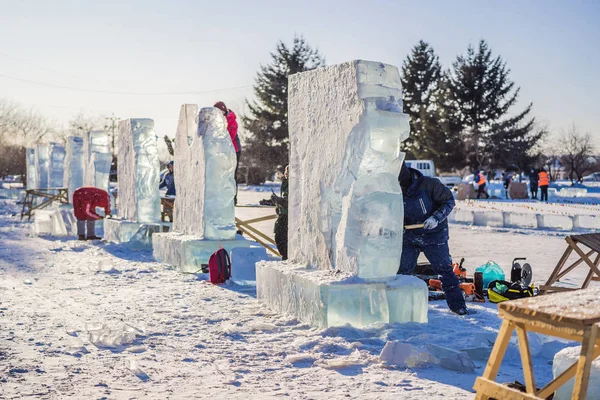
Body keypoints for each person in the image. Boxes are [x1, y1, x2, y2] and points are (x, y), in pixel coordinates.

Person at [397, 162, 468, 315]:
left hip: (434, 235)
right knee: (402, 272)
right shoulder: (394, 189)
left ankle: (458, 306)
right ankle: (401, 308)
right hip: (409, 235)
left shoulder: (430, 184)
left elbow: (449, 201)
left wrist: (435, 218)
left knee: (444, 270)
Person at [214, 101, 241, 205]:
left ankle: (233, 198)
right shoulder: (217, 121)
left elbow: (230, 135)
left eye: (219, 111)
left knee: (231, 174)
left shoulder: (231, 119)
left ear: (223, 110)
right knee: (221, 174)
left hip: (234, 149)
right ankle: (222, 195)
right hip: (223, 150)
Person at [271, 165, 288, 260]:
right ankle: (285, 256)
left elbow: (290, 201)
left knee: (281, 237)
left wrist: (278, 200)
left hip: (288, 216)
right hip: (283, 214)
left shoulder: (291, 183)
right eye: (285, 171)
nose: (286, 173)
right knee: (279, 236)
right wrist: (277, 205)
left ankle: (286, 256)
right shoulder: (285, 183)